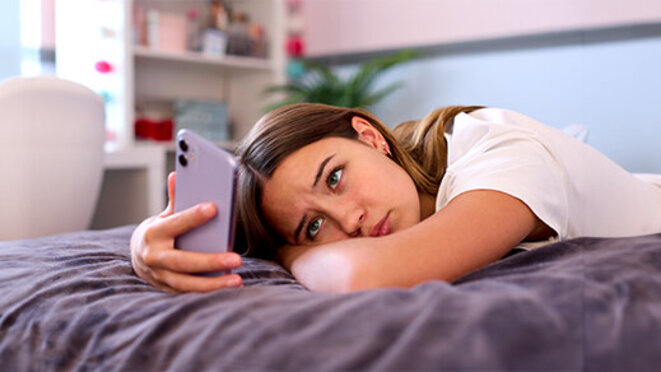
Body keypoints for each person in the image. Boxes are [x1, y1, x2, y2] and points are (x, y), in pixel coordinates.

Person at [130, 104, 661, 293]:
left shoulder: (502, 153)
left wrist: (291, 250)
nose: (349, 220)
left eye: (333, 178)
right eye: (314, 226)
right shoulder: (421, 186)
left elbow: (365, 277)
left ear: (370, 137)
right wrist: (140, 242)